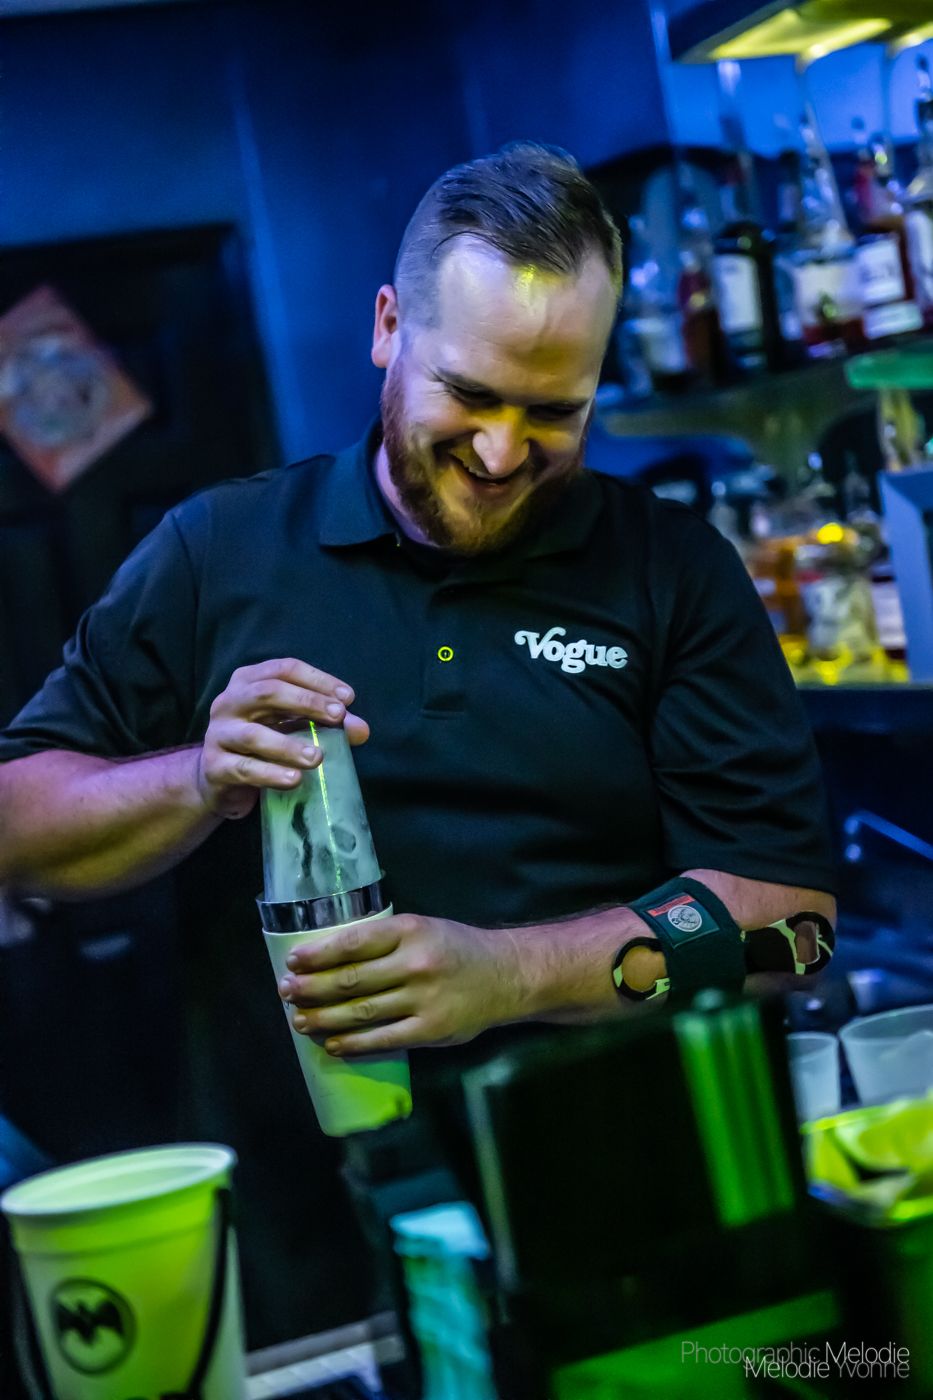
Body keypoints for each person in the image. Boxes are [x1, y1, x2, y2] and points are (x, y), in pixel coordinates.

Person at [0, 143, 835, 1350]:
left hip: (633, 1216)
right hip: (308, 1242)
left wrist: (511, 973)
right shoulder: (216, 551)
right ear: (389, 326)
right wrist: (197, 778)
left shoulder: (675, 571)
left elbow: (791, 923)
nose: (501, 453)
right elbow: (17, 824)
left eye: (554, 412)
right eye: (469, 394)